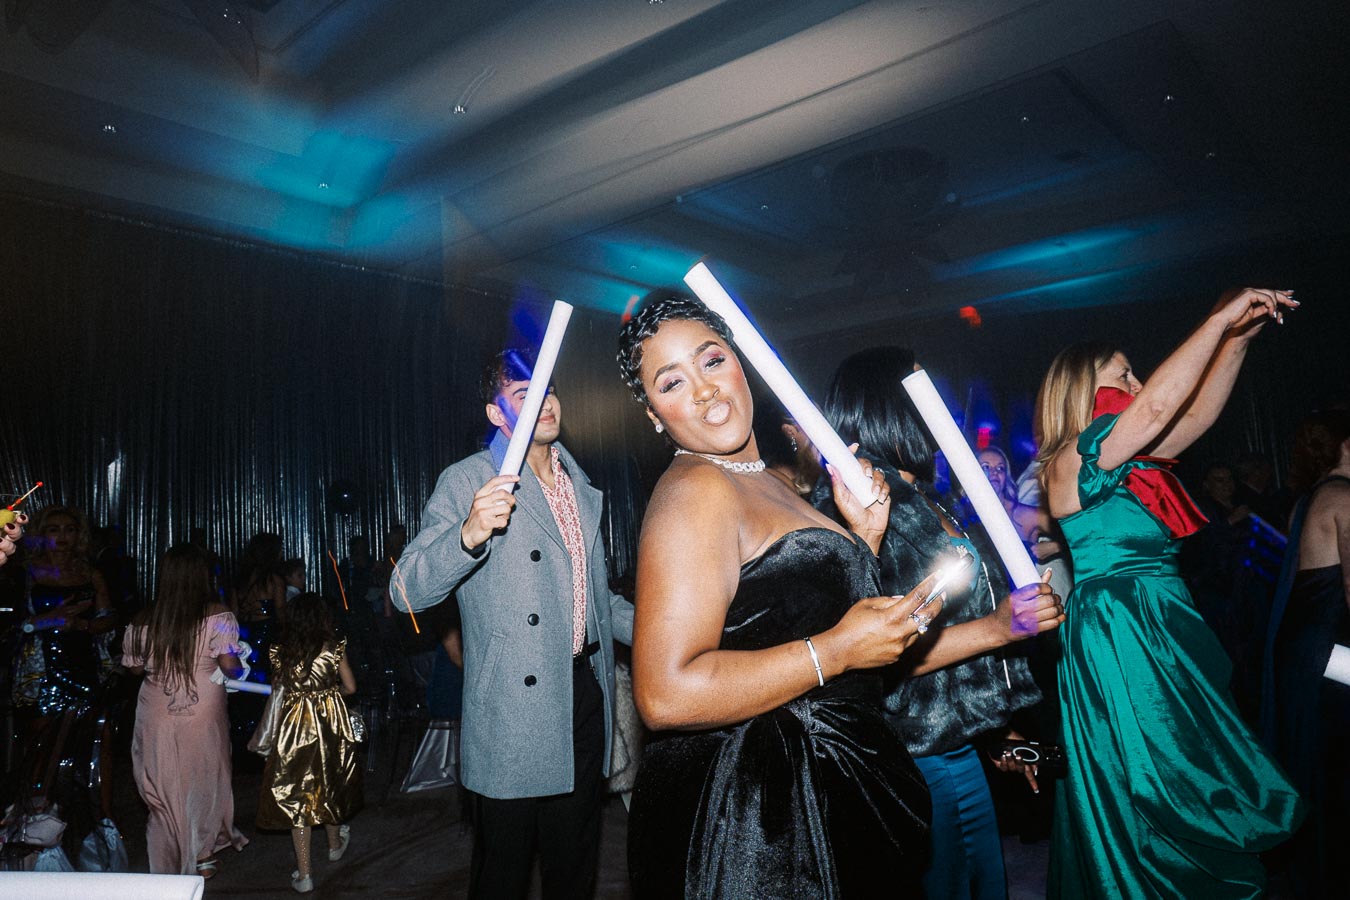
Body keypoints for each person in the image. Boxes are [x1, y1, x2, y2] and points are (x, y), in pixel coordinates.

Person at [616, 295, 939, 898]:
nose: (706, 391)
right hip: (761, 819)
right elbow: (664, 693)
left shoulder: (770, 479)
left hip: (823, 783)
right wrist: (838, 651)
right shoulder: (694, 492)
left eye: (712, 361)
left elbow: (782, 617)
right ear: (656, 416)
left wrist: (861, 538)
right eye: (672, 382)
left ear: (740, 363)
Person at [1035, 287, 1303, 899]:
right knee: (1153, 775)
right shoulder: (1071, 459)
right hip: (1119, 628)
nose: (1135, 382)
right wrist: (1216, 318)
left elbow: (1194, 416)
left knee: (1183, 763)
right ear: (1083, 388)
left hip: (1159, 618)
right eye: (1122, 373)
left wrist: (1236, 340)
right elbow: (1155, 409)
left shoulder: (1125, 459)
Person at [816, 346, 1062, 899]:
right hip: (909, 753)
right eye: (931, 400)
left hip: (957, 745)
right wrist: (1002, 628)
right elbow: (882, 651)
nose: (947, 414)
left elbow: (959, 630)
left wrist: (1001, 727)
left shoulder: (925, 497)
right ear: (891, 407)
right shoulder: (863, 505)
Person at [394, 348, 635, 900]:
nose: (544, 404)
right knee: (502, 874)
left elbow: (600, 600)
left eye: (549, 390)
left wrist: (665, 631)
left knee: (573, 866)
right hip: (512, 710)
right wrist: (467, 536)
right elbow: (404, 589)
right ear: (497, 414)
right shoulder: (469, 480)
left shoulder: (580, 484)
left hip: (583, 693)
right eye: (525, 395)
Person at [1263, 408, 1350, 899]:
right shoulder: (1344, 497)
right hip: (1334, 654)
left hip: (1303, 651)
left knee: (1316, 763)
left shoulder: (1307, 499)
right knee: (1339, 769)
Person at [123, 544, 249, 876]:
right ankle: (203, 853)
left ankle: (168, 861)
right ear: (203, 576)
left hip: (156, 707)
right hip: (203, 703)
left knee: (161, 781)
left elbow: (134, 669)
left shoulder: (143, 618)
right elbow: (231, 668)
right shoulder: (218, 614)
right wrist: (241, 657)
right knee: (204, 776)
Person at [256, 591, 362, 894]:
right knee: (329, 784)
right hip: (329, 724)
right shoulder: (333, 648)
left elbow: (279, 688)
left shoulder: (280, 651)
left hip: (294, 727)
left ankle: (304, 874)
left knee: (297, 794)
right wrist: (327, 693)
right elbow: (351, 687)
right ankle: (333, 844)